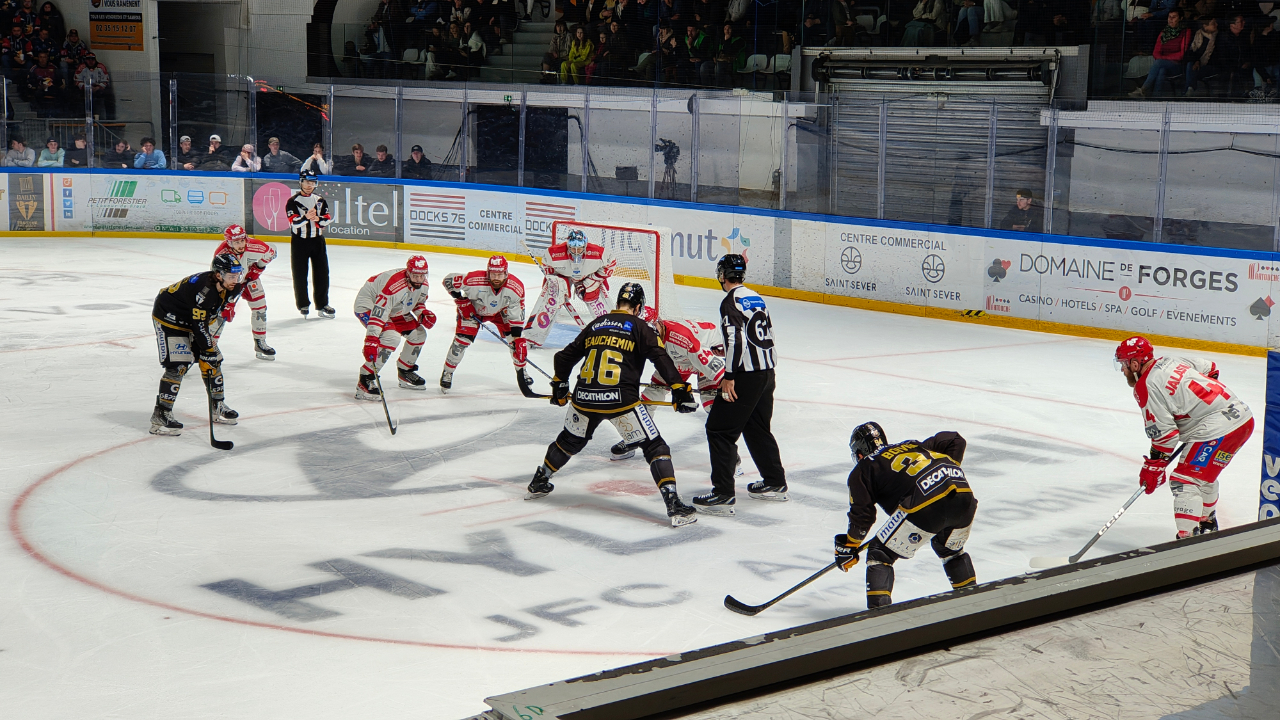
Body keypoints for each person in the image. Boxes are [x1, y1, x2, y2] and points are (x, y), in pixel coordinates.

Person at [525, 282, 700, 528]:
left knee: (570, 440)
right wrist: (679, 388)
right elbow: (660, 357)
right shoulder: (639, 326)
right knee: (654, 446)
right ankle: (674, 504)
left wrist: (559, 384)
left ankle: (540, 480)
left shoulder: (596, 324)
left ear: (618, 303)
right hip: (621, 401)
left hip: (584, 397)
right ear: (638, 308)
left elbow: (563, 357)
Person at [1114, 336, 1255, 539]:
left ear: (1135, 364)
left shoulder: (1146, 386)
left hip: (1217, 429)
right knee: (1201, 475)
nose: (1122, 370)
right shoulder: (1170, 360)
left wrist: (1154, 465)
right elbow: (1211, 369)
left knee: (1185, 480)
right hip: (1242, 418)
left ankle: (1187, 540)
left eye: (1124, 364)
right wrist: (1198, 408)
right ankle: (1207, 524)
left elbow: (1165, 435)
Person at [836, 422, 977, 608]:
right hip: (963, 495)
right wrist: (943, 475)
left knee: (879, 554)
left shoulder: (864, 468)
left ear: (859, 453)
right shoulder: (912, 445)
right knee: (950, 549)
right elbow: (954, 439)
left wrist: (850, 545)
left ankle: (880, 617)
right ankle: (974, 604)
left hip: (924, 505)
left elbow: (862, 516)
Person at [693, 253, 786, 515]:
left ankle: (723, 494)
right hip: (767, 373)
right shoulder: (756, 297)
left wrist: (730, 376)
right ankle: (775, 482)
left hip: (745, 376)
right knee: (757, 428)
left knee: (719, 430)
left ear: (722, 275)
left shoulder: (730, 301)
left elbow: (736, 340)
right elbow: (768, 334)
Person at [611, 311, 727, 459]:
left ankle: (727, 452)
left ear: (659, 323)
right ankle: (634, 437)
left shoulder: (680, 338)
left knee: (711, 402)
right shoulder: (642, 336)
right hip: (675, 361)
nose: (649, 336)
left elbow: (708, 363)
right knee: (649, 397)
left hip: (703, 349)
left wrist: (726, 381)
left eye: (652, 330)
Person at [149, 254, 244, 435]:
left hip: (193, 318)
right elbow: (198, 325)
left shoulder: (231, 285)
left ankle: (217, 405)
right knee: (179, 365)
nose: (235, 280)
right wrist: (207, 349)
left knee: (213, 361)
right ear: (218, 275)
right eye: (231, 276)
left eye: (237, 275)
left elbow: (205, 319)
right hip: (170, 318)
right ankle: (161, 413)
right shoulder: (205, 291)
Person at [440, 255, 534, 395]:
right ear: (488, 272)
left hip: (500, 312)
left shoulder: (516, 288)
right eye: (493, 274)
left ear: (506, 273)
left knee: (517, 343)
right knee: (461, 342)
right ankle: (448, 372)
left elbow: (516, 318)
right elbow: (448, 280)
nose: (496, 278)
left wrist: (517, 340)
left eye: (500, 274)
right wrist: (460, 300)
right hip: (473, 311)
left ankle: (522, 371)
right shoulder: (474, 280)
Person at [354, 256, 438, 398]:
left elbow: (416, 303)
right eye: (415, 276)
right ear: (408, 273)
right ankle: (366, 377)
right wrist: (371, 339)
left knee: (418, 335)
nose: (419, 279)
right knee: (391, 338)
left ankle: (405, 371)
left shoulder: (423, 284)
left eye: (422, 276)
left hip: (394, 308)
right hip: (370, 305)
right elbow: (379, 314)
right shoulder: (394, 287)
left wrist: (422, 313)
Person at [523, 227, 616, 347]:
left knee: (592, 295)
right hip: (564, 275)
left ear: (585, 246)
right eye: (573, 248)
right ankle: (533, 336)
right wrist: (555, 282)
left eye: (580, 248)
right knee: (554, 293)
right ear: (568, 246)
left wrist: (593, 280)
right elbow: (546, 263)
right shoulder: (554, 253)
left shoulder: (598, 252)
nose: (576, 252)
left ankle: (611, 332)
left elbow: (611, 262)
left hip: (588, 276)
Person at [210, 224, 278, 361]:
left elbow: (272, 251)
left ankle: (260, 342)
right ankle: (210, 345)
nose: (241, 245)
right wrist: (228, 301)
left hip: (248, 278)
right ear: (229, 242)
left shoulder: (254, 245)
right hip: (229, 283)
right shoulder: (221, 253)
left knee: (260, 307)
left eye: (242, 240)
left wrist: (258, 267)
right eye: (236, 242)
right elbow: (217, 279)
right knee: (221, 312)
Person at [286, 170, 335, 319]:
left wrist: (318, 219)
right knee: (300, 273)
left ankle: (322, 304)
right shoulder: (293, 201)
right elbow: (294, 223)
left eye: (312, 182)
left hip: (317, 240)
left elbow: (327, 219)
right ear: (301, 182)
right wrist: (307, 217)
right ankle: (303, 304)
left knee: (322, 273)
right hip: (299, 242)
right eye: (307, 182)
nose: (310, 185)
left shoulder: (320, 200)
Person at [1130, 9, 1191, 98]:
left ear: (1181, 18)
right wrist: (1163, 59)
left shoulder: (1186, 32)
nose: (1171, 19)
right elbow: (1156, 53)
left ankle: (1144, 89)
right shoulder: (1164, 32)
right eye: (1169, 17)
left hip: (1178, 66)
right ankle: (1156, 98)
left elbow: (1181, 55)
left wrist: (1163, 58)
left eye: (1174, 17)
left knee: (1159, 63)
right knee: (1161, 70)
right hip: (1164, 64)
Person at [74, 52, 111, 118]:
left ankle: (101, 117)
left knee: (105, 96)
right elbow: (77, 80)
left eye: (92, 59)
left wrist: (98, 87)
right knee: (78, 96)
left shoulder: (101, 67)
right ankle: (82, 116)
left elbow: (106, 80)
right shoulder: (81, 67)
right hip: (84, 89)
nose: (90, 61)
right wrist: (86, 87)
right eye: (88, 59)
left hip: (98, 89)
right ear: (86, 60)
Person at [710, 23, 745, 87]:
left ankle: (718, 88)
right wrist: (714, 57)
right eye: (725, 29)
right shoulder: (720, 39)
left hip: (733, 62)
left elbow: (730, 51)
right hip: (718, 61)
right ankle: (706, 88)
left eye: (729, 28)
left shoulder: (739, 40)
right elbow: (714, 50)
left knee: (718, 67)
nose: (727, 31)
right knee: (704, 66)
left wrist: (727, 40)